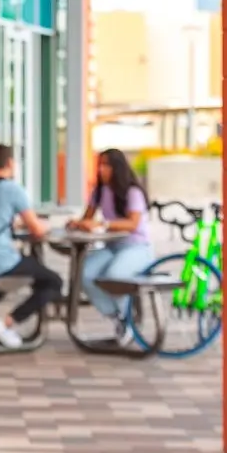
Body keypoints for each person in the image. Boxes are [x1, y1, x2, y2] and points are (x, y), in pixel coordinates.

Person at [0, 144, 62, 350]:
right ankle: (6, 324)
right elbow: (37, 230)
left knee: (2, 282)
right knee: (53, 281)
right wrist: (49, 225)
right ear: (10, 163)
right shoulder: (12, 189)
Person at [67, 148, 152, 345]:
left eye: (106, 165)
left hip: (136, 247)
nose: (102, 170)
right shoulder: (99, 191)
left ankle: (127, 318)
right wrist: (77, 223)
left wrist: (102, 224)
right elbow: (87, 217)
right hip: (112, 246)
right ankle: (118, 317)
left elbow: (132, 223)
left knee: (114, 275)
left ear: (117, 167)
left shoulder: (132, 192)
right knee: (84, 274)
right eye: (100, 166)